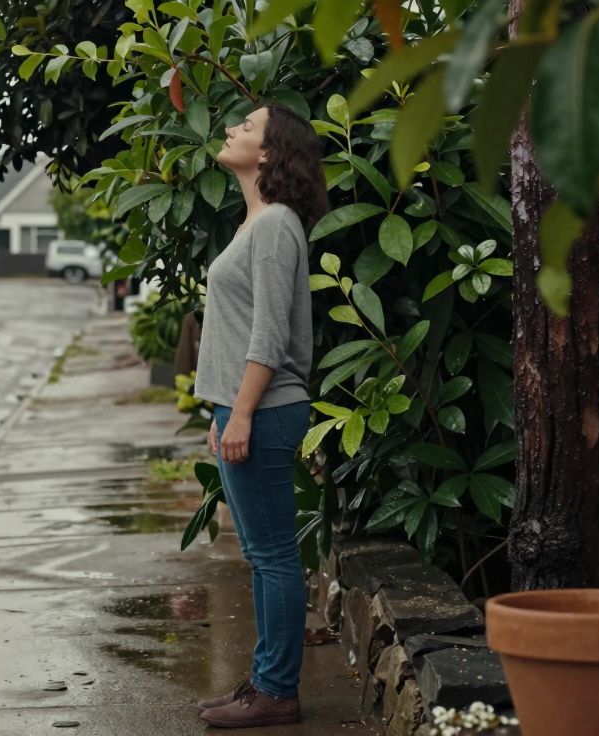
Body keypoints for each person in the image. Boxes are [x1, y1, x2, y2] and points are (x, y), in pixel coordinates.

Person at [191, 102, 328, 729]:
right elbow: (242, 332)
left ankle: (276, 692)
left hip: (267, 409)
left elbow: (269, 338)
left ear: (269, 153)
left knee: (273, 556)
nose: (230, 131)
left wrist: (242, 412)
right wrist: (224, 411)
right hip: (245, 407)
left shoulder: (275, 226)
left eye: (245, 127)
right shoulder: (257, 224)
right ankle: (265, 681)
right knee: (262, 553)